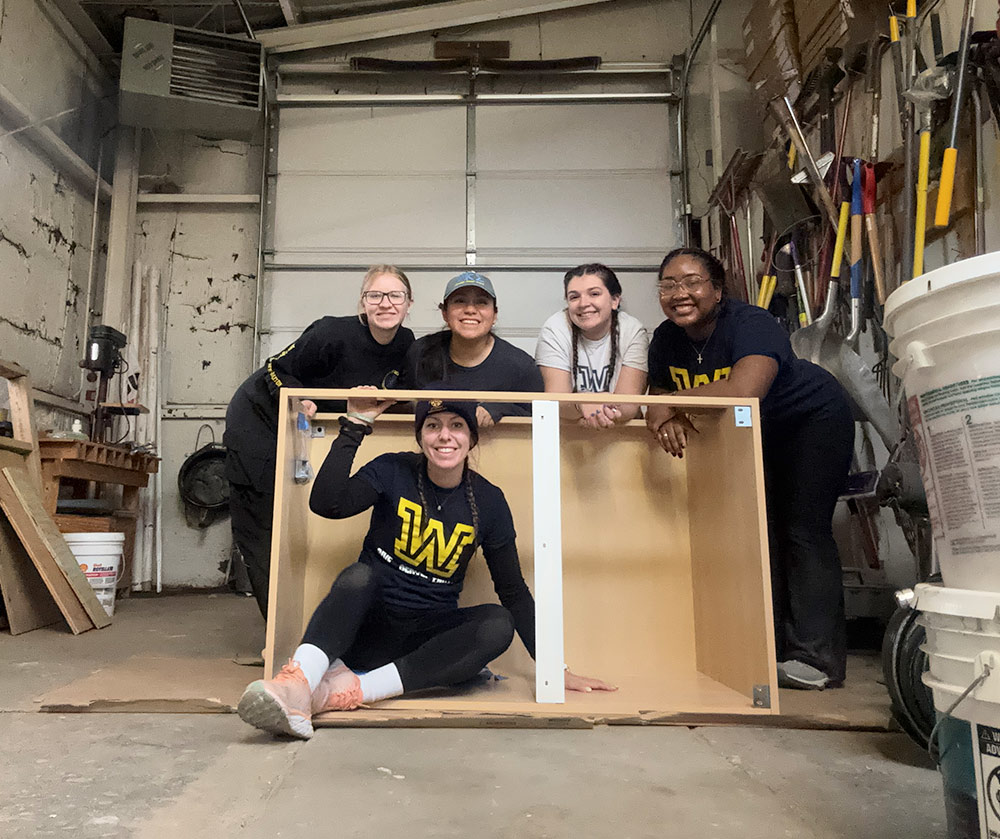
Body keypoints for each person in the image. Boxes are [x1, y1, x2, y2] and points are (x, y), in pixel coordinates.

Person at [237, 393, 615, 739]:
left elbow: (513, 590)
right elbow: (327, 505)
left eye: (456, 426)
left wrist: (555, 668)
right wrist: (354, 427)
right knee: (358, 576)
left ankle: (345, 692)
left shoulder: (489, 502)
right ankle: (297, 684)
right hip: (364, 632)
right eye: (432, 426)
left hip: (423, 648)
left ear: (471, 438)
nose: (444, 436)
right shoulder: (392, 470)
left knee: (498, 623)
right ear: (420, 437)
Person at [644, 248, 853, 690]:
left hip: (809, 421)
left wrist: (669, 406)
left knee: (804, 530)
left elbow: (744, 391)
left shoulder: (752, 323)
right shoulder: (665, 339)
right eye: (668, 285)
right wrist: (663, 413)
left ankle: (817, 660)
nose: (679, 293)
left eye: (692, 282)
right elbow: (655, 396)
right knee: (761, 532)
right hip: (753, 434)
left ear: (717, 290)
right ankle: (771, 650)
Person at [224, 266, 415, 618]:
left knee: (305, 515)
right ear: (362, 302)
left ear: (408, 304)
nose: (385, 304)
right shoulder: (332, 332)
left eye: (395, 296)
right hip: (260, 417)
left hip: (308, 426)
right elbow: (275, 368)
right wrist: (298, 396)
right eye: (375, 295)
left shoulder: (405, 345)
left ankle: (309, 625)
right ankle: (278, 640)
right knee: (267, 524)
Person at [400, 271, 544, 427]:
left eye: (481, 302)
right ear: (445, 314)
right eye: (460, 301)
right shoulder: (420, 352)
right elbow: (403, 408)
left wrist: (502, 408)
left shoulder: (522, 368)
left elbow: (542, 419)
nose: (470, 309)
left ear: (494, 315)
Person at [535, 263, 648, 427]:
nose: (583, 303)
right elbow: (555, 401)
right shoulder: (554, 329)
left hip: (624, 432)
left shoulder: (633, 331)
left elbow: (629, 406)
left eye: (594, 294)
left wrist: (595, 409)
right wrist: (582, 405)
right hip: (570, 434)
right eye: (574, 297)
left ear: (615, 300)